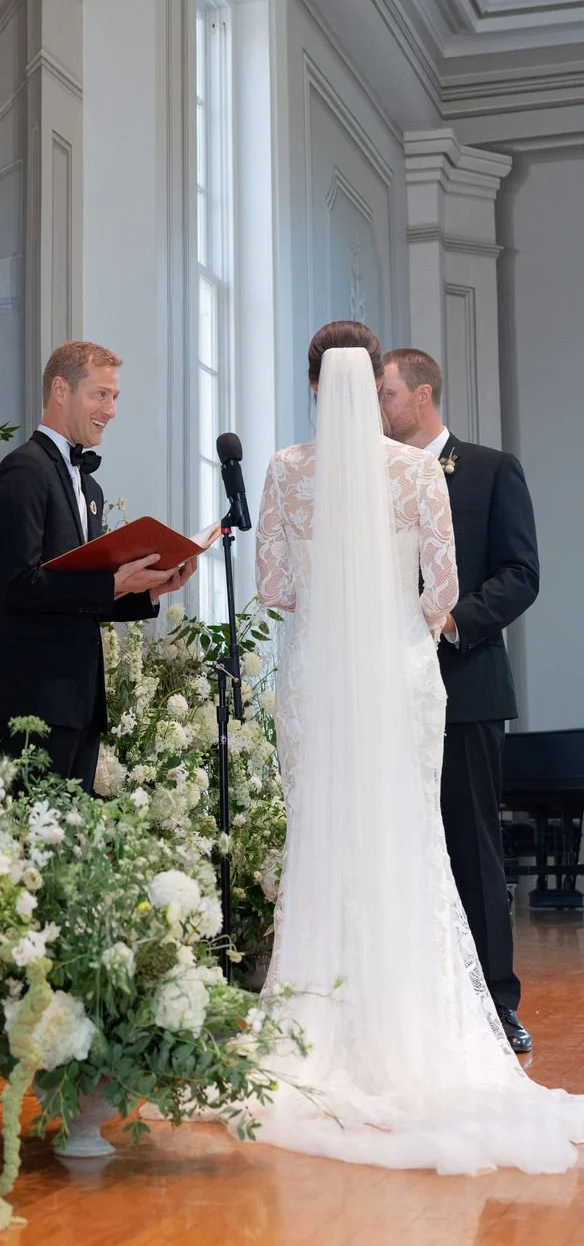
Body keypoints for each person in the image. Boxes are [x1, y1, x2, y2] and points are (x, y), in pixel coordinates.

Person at [249, 320, 583, 1173]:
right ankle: (418, 1027)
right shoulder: (414, 473)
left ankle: (325, 1024)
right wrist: (397, 614)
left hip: (321, 677)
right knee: (410, 845)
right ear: (373, 383)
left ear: (315, 384)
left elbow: (275, 589)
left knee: (329, 843)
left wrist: (335, 606)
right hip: (400, 676)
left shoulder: (285, 470)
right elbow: (443, 591)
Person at [380, 348, 538, 1054]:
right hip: (388, 690)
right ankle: (414, 1003)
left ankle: (496, 1004)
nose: (378, 407)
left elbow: (521, 573)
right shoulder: (377, 476)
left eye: (386, 394)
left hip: (466, 685)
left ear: (422, 394)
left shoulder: (489, 469)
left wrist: (452, 620)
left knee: (473, 847)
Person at [0, 341, 196, 791]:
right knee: (34, 829)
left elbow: (80, 597)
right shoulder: (23, 470)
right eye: (101, 394)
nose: (111, 410)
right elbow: (19, 585)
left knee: (70, 833)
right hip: (35, 696)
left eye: (114, 397)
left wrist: (147, 590)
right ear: (61, 390)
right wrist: (111, 584)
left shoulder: (89, 487)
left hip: (79, 700)